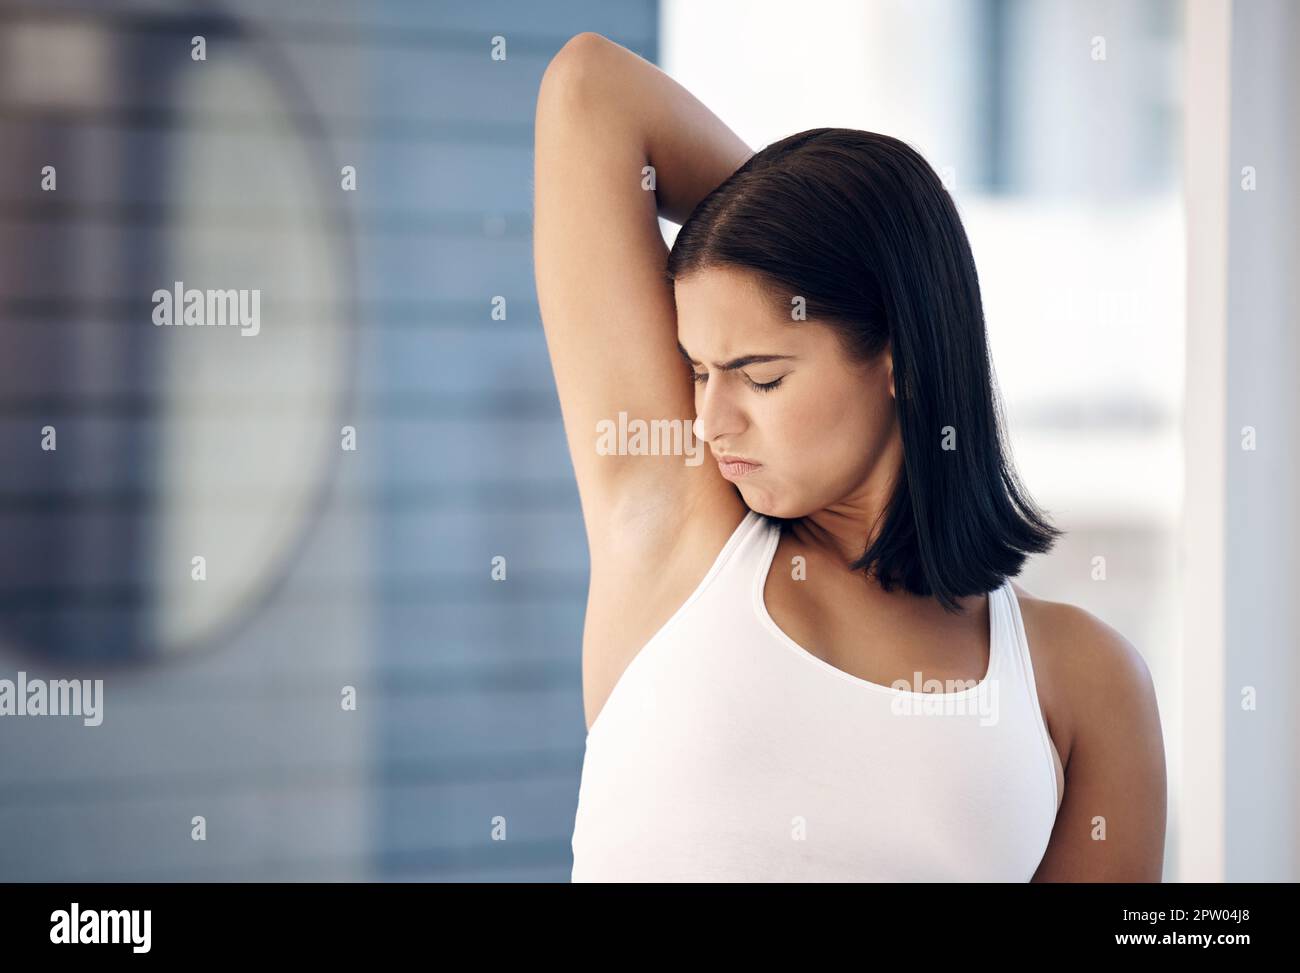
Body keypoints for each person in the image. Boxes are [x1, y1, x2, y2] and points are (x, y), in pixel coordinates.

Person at [533, 32, 1166, 882]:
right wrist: (825, 237)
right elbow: (590, 91)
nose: (710, 420)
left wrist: (891, 263)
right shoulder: (675, 535)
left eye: (759, 376)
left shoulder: (1084, 683)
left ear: (899, 352)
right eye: (694, 370)